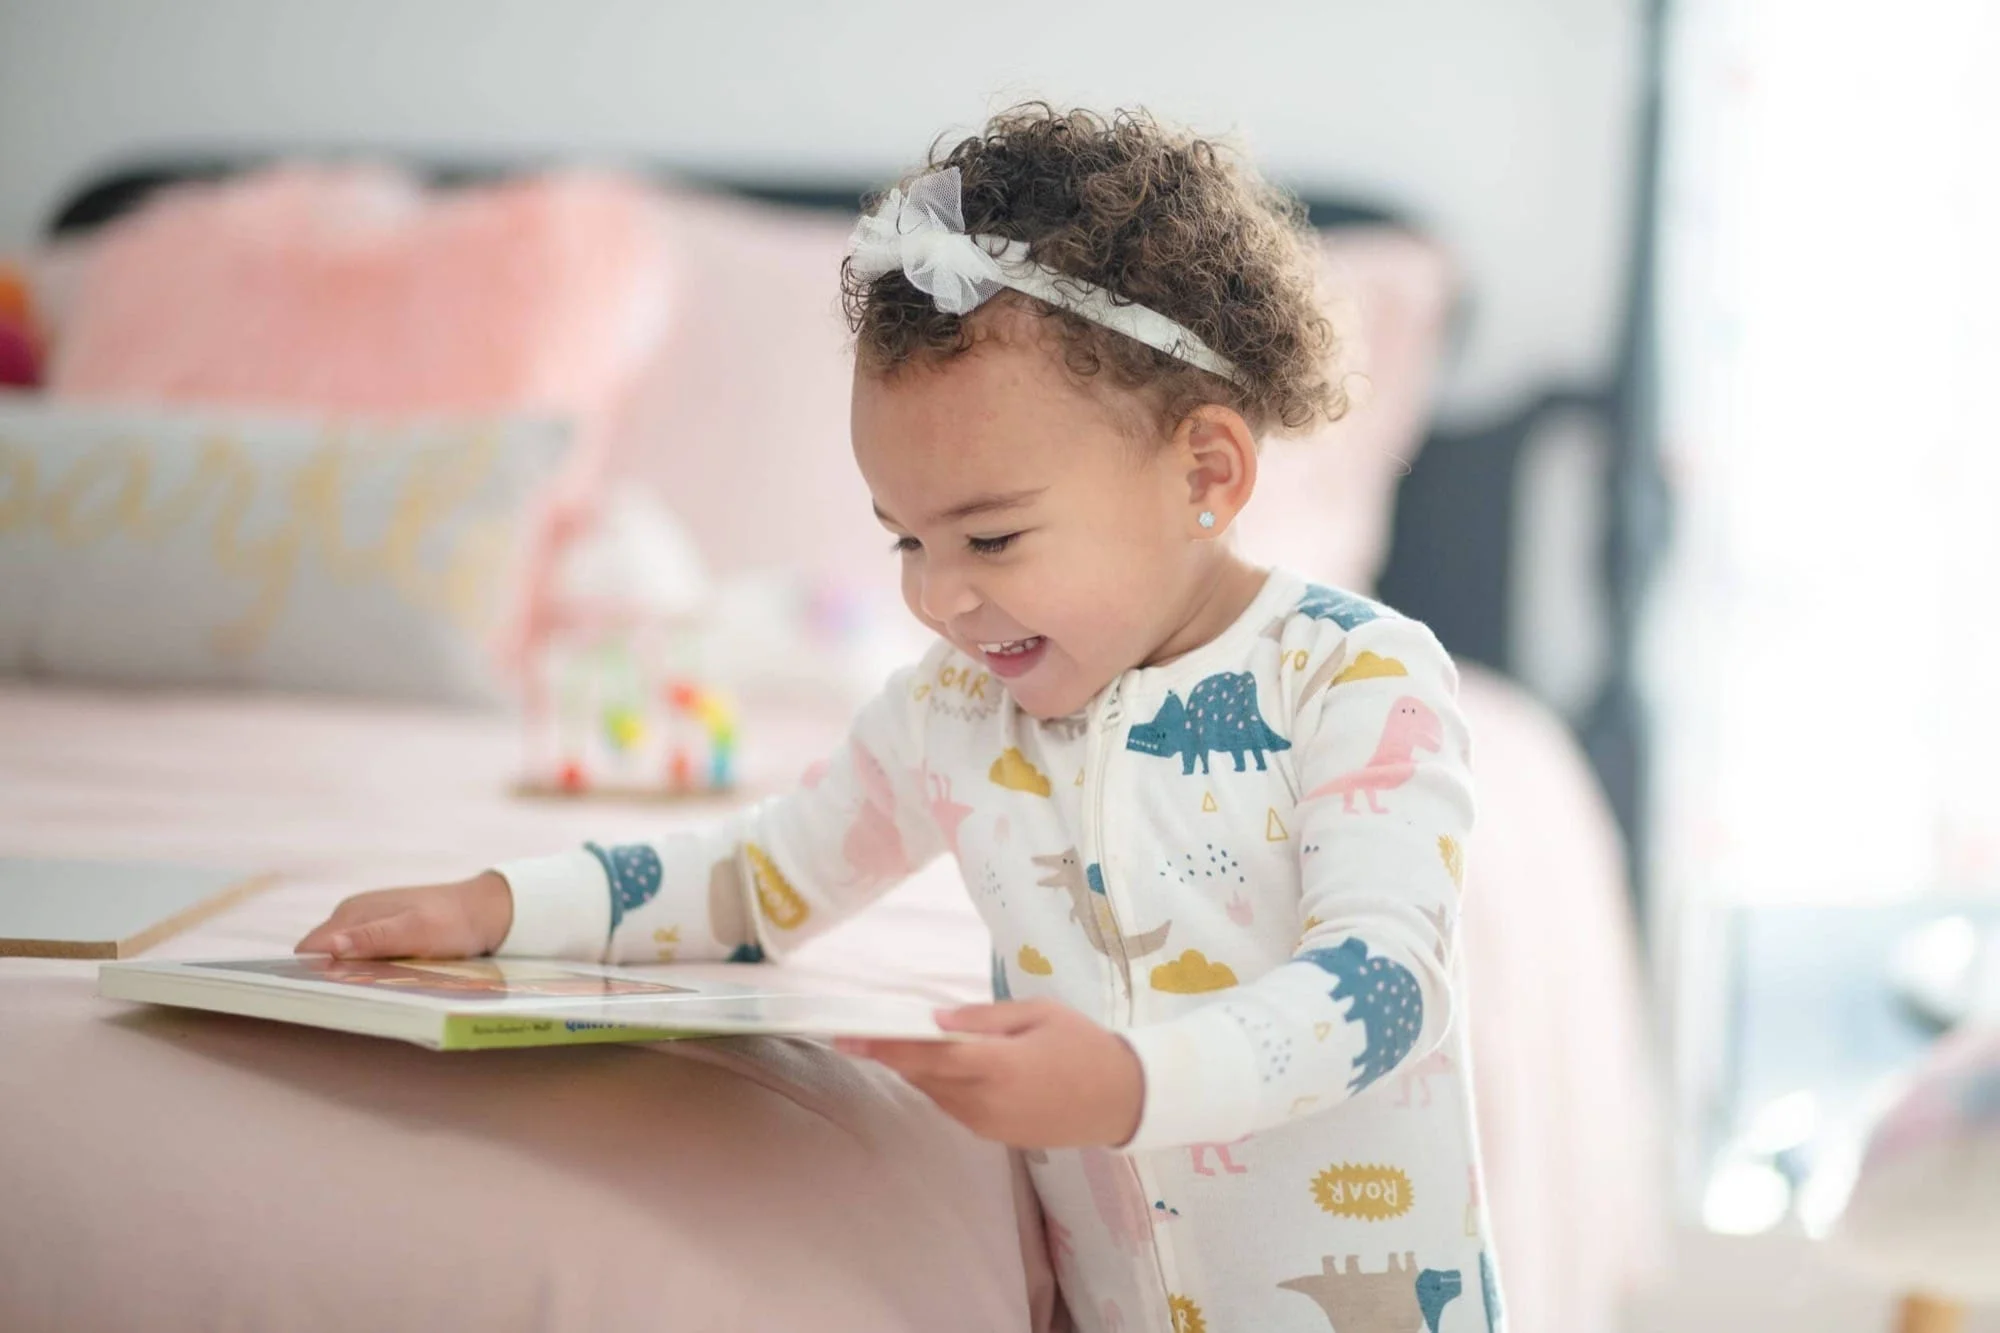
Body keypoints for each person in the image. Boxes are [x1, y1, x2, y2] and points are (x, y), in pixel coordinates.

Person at [298, 104, 1501, 1333]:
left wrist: (1135, 1081)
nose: (936, 595)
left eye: (990, 536)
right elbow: (760, 880)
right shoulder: (951, 713)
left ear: (1204, 473)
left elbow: (1383, 983)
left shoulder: (1355, 681)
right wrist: (499, 908)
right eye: (905, 541)